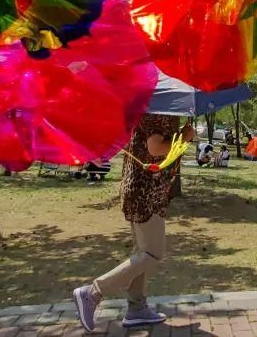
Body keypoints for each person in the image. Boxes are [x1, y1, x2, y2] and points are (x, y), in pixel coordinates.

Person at [73, 114, 194, 331]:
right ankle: (92, 292)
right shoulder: (160, 112)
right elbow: (155, 148)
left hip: (142, 191)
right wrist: (184, 138)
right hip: (146, 194)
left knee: (142, 253)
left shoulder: (149, 108)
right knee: (152, 254)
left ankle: (136, 308)